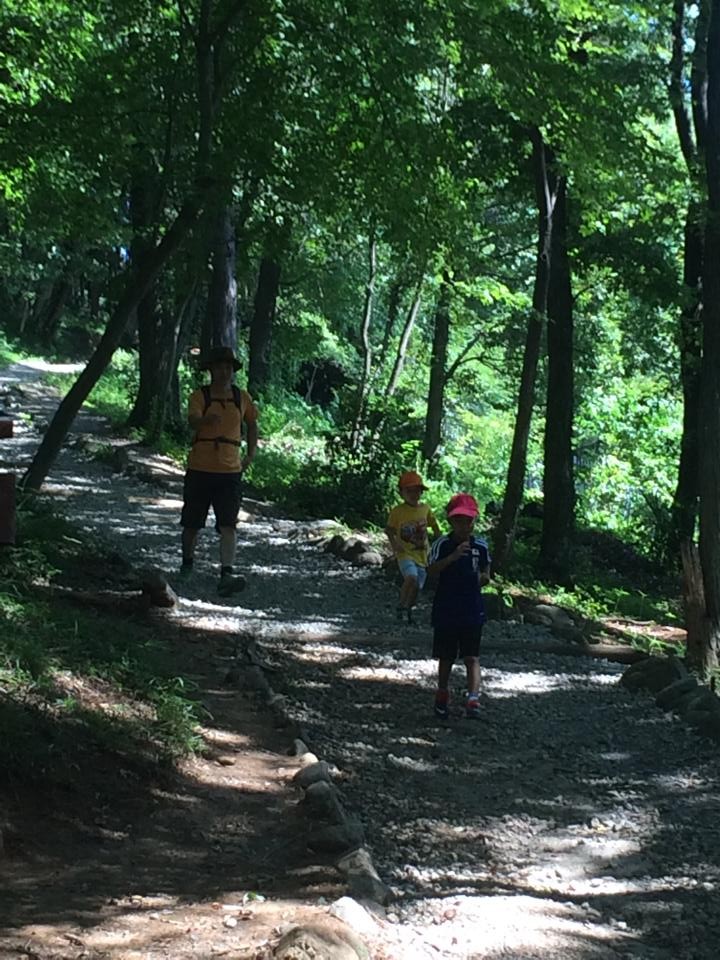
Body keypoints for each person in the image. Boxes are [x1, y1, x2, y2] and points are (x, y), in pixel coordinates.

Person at [179, 346, 258, 596]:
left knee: (228, 524)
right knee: (192, 523)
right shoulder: (199, 396)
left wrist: (251, 455)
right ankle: (187, 564)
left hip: (230, 471)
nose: (224, 371)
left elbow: (253, 423)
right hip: (200, 467)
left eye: (228, 367)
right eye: (219, 367)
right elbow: (192, 420)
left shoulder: (241, 397)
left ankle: (227, 573)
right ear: (211, 369)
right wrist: (204, 421)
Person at [427, 493, 491, 720]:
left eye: (469, 521)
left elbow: (486, 573)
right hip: (447, 607)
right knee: (446, 656)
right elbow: (431, 570)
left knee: (472, 656)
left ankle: (473, 697)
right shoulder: (442, 544)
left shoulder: (480, 546)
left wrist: (483, 578)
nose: (464, 526)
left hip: (472, 607)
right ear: (450, 521)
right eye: (459, 521)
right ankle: (442, 692)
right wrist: (453, 557)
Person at [385, 471, 441, 624]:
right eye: (408, 491)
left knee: (417, 587)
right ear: (401, 493)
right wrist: (395, 544)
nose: (413, 494)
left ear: (421, 492)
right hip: (405, 554)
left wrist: (439, 542)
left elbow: (435, 528)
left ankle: (408, 609)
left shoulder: (425, 509)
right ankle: (401, 605)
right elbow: (389, 530)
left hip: (423, 555)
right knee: (411, 577)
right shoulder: (398, 511)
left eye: (416, 490)